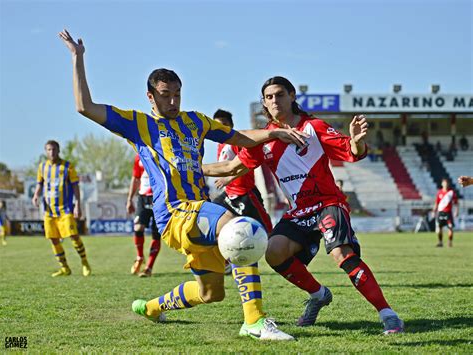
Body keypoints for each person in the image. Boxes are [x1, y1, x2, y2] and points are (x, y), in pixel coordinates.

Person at [59, 29, 308, 340]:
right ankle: (254, 321)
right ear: (150, 95)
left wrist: (273, 133)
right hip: (175, 214)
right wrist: (77, 58)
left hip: (198, 212)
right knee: (239, 229)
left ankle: (151, 307)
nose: (173, 100)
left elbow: (239, 137)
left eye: (177, 93)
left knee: (210, 294)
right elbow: (85, 106)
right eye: (166, 94)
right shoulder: (138, 124)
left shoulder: (196, 121)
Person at [203, 76, 404, 335]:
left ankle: (388, 315)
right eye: (269, 97)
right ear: (264, 102)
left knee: (341, 253)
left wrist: (356, 140)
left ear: (292, 96)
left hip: (327, 203)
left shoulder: (314, 127)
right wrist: (191, 168)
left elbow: (352, 152)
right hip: (298, 211)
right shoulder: (264, 140)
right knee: (273, 252)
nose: (275, 100)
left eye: (280, 94)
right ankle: (319, 295)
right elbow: (230, 167)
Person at [212, 109, 273, 275]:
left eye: (224, 125)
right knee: (209, 221)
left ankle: (288, 256)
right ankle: (225, 261)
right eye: (217, 125)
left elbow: (248, 164)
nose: (220, 128)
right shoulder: (219, 144)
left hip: (245, 195)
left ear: (231, 126)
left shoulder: (237, 142)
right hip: (227, 196)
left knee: (269, 233)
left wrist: (228, 179)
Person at [32, 140, 91, 277]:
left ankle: (84, 262)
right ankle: (64, 268)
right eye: (49, 150)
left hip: (65, 209)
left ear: (58, 150)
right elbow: (39, 184)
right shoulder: (42, 167)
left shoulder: (67, 167)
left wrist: (77, 204)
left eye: (54, 149)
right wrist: (36, 195)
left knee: (73, 236)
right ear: (45, 151)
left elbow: (76, 186)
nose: (51, 152)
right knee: (53, 239)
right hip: (49, 210)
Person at [127, 155, 162, 277]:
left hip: (159, 197)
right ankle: (140, 257)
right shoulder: (139, 156)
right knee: (138, 227)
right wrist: (129, 199)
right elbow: (135, 178)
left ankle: (149, 268)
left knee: (157, 233)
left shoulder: (161, 151)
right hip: (143, 197)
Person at [433, 178, 459, 247]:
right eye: (444, 183)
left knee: (450, 227)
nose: (445, 184)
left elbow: (456, 203)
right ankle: (440, 242)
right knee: (439, 228)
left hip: (448, 212)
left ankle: (450, 242)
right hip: (440, 212)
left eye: (446, 183)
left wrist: (456, 211)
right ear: (442, 184)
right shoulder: (439, 192)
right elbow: (436, 203)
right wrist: (434, 211)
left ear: (448, 184)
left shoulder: (451, 192)